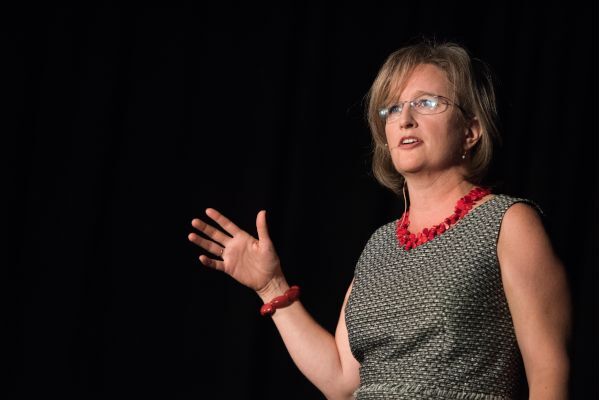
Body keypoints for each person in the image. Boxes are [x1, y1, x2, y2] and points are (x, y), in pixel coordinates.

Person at [187, 40, 572, 400]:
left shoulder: (507, 222)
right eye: (392, 108)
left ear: (470, 131)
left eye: (427, 103)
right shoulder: (380, 244)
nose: (405, 118)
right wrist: (272, 287)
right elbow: (340, 379)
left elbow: (549, 371)